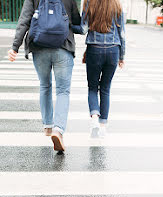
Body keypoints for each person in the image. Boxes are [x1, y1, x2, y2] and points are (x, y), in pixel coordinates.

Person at [8, 0, 81, 152]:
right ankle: (58, 130)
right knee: (62, 91)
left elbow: (24, 20)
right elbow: (76, 21)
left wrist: (15, 46)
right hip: (63, 46)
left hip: (39, 46)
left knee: (45, 85)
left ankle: (48, 126)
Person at [72, 0, 125, 138]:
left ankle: (94, 118)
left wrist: (68, 26)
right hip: (113, 50)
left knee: (92, 88)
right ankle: (103, 126)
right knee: (106, 88)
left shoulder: (89, 3)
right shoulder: (117, 5)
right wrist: (122, 56)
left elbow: (83, 29)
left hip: (94, 49)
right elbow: (122, 33)